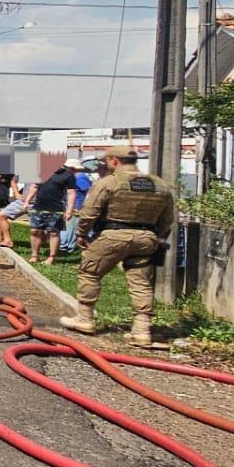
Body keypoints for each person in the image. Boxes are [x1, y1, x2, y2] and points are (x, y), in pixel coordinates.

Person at [57, 145, 175, 348]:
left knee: (90, 272)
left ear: (114, 160)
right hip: (146, 238)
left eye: (106, 161)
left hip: (113, 236)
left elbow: (89, 212)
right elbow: (167, 219)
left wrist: (82, 233)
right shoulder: (160, 185)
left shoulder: (109, 182)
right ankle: (142, 331)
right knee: (141, 283)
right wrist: (158, 238)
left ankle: (84, 319)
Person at [27, 162, 79, 265]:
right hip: (38, 207)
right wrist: (26, 201)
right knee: (35, 231)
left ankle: (51, 257)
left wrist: (69, 210)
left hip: (56, 209)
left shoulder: (68, 175)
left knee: (54, 233)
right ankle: (34, 255)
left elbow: (71, 193)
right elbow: (34, 187)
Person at [58, 158, 94, 254]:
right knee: (67, 226)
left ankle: (68, 247)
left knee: (71, 227)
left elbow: (88, 192)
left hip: (77, 206)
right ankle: (64, 245)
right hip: (71, 204)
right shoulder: (72, 177)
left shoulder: (80, 177)